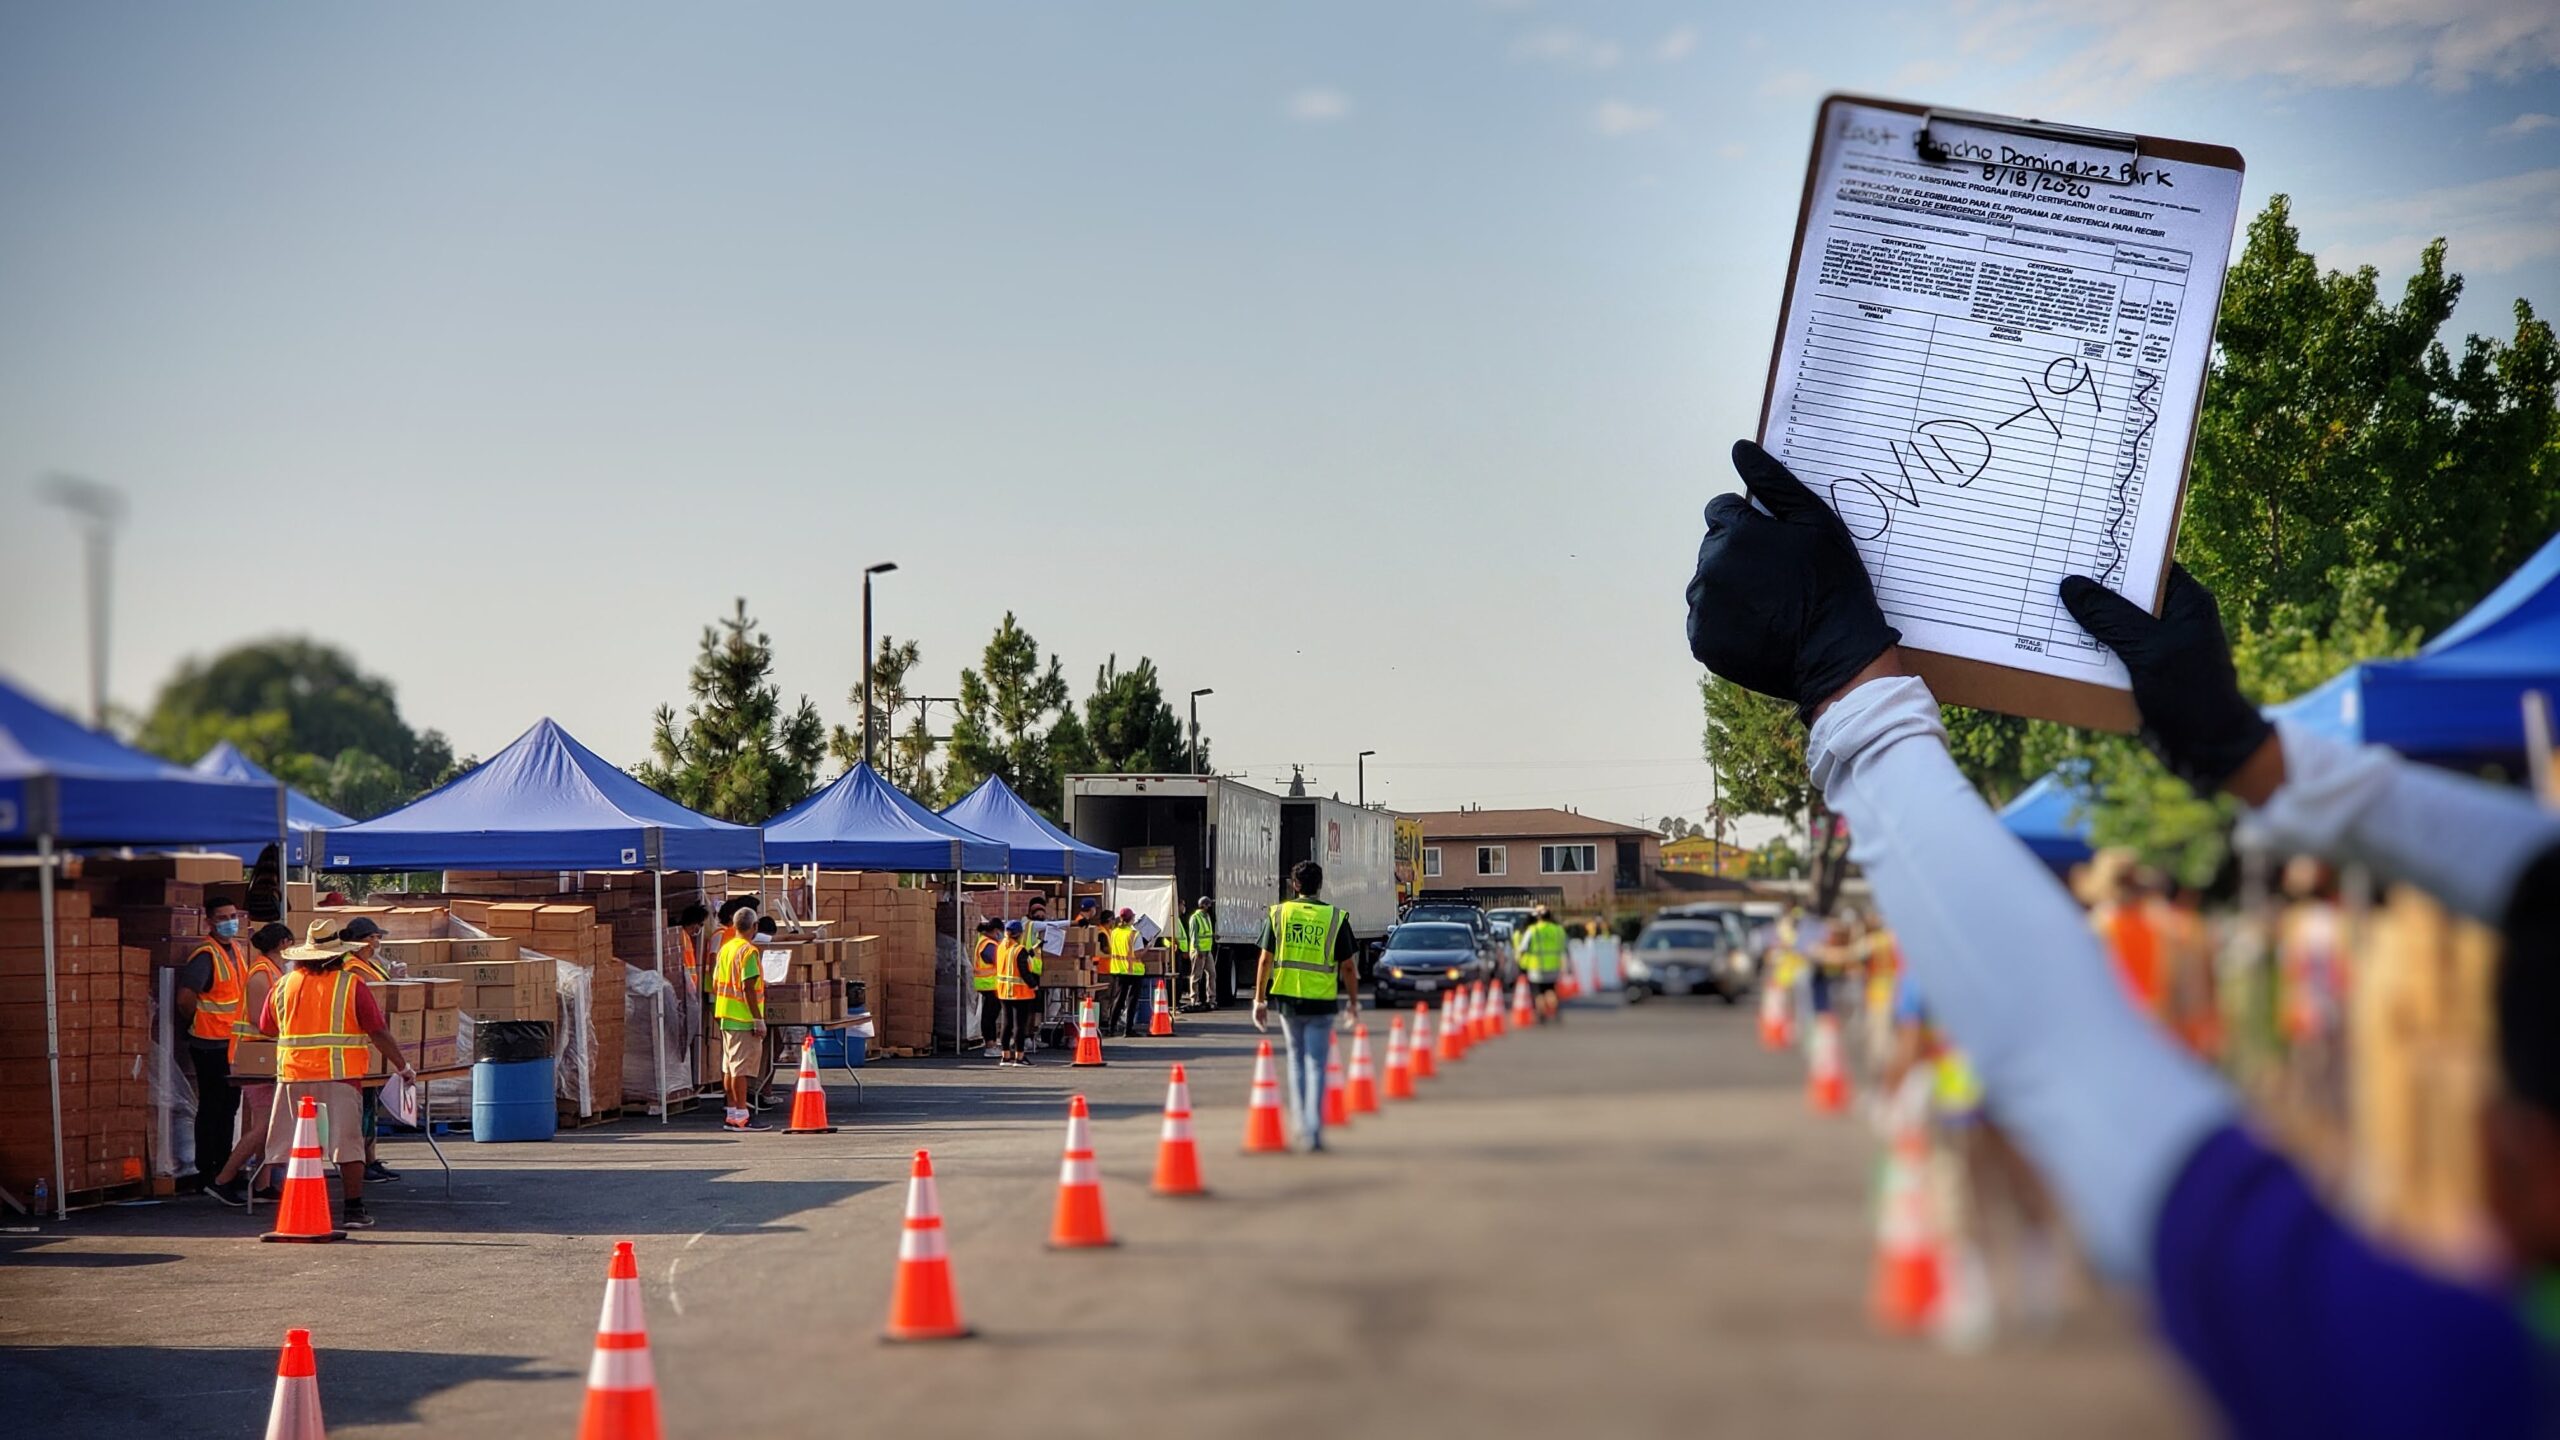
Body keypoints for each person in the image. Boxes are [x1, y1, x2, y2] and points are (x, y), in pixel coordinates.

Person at [1686, 438, 2560, 1436]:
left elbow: (2060, 1045)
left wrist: (1853, 695)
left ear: (2518, 1172)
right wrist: (2251, 757)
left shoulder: (2462, 1383)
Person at [255, 917, 415, 1229]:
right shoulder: (350, 985)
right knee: (347, 1144)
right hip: (339, 1076)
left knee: (294, 1144)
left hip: (292, 1075)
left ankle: (296, 1207)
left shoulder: (282, 985)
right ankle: (353, 1210)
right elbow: (378, 1031)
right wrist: (402, 1066)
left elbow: (266, 1027)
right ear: (339, 956)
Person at [1253, 862, 1361, 1153]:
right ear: (1320, 884)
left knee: (1296, 1061)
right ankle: (1313, 1131)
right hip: (1322, 1002)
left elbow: (1265, 961)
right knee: (1317, 1065)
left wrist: (1259, 999)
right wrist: (1352, 1002)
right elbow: (1348, 967)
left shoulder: (1279, 914)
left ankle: (1301, 1124)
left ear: (1294, 885)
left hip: (1288, 999)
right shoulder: (1334, 918)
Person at [205, 920, 292, 1207]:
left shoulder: (273, 971)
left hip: (265, 1055)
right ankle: (224, 1179)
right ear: (283, 944)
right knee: (265, 1124)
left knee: (268, 1122)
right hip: (253, 1056)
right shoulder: (261, 974)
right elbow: (260, 1020)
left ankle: (262, 1182)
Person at [173, 891, 251, 1193]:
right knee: (213, 1107)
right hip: (209, 1042)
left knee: (228, 1106)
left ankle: (224, 1166)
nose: (230, 922)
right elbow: (185, 998)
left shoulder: (234, 951)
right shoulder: (206, 954)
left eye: (233, 917)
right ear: (208, 922)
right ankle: (209, 1169)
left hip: (230, 1042)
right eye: (223, 918)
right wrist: (196, 1023)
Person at [712, 898, 770, 1132]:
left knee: (730, 1067)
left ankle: (734, 1112)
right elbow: (748, 987)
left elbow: (716, 982)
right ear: (754, 926)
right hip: (742, 1017)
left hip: (726, 1013)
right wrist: (758, 1019)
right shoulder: (748, 952)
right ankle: (742, 1115)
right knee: (741, 1069)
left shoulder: (726, 948)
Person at [994, 919, 1041, 1067]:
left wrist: (1032, 951)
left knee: (1006, 1024)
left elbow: (1013, 961)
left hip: (1004, 991)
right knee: (1020, 1025)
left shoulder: (1001, 947)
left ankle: (1005, 1056)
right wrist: (1034, 985)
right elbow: (1024, 970)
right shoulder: (1019, 949)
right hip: (1020, 992)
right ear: (1019, 934)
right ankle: (1020, 1057)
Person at [1516, 904, 1569, 1023]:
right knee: (1550, 989)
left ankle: (1541, 1014)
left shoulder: (1533, 930)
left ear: (1539, 918)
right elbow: (1565, 946)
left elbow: (1523, 947)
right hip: (1554, 964)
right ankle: (1554, 1009)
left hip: (1536, 965)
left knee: (1538, 991)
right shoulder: (1558, 930)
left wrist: (1520, 961)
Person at [971, 918, 1005, 1061]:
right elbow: (997, 959)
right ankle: (990, 1045)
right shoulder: (988, 944)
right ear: (995, 931)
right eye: (1000, 932)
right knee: (990, 1016)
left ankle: (991, 1043)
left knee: (990, 1015)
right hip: (990, 985)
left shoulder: (985, 941)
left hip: (990, 985)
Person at [1105, 908, 1141, 1037]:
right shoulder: (1134, 934)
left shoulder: (1114, 932)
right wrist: (1148, 947)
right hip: (1133, 971)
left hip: (1118, 969)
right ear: (1131, 919)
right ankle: (1128, 1029)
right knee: (1131, 1001)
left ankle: (1111, 1027)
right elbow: (1138, 954)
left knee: (1118, 1000)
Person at [1184, 894, 1218, 1007]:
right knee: (1196, 976)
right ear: (1202, 905)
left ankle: (1211, 999)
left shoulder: (1207, 917)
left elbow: (1205, 933)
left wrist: (1213, 936)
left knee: (1212, 973)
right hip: (1198, 951)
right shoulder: (1195, 918)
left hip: (1207, 950)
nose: (1209, 907)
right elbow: (1194, 935)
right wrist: (1197, 949)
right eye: (1207, 905)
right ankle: (1195, 999)